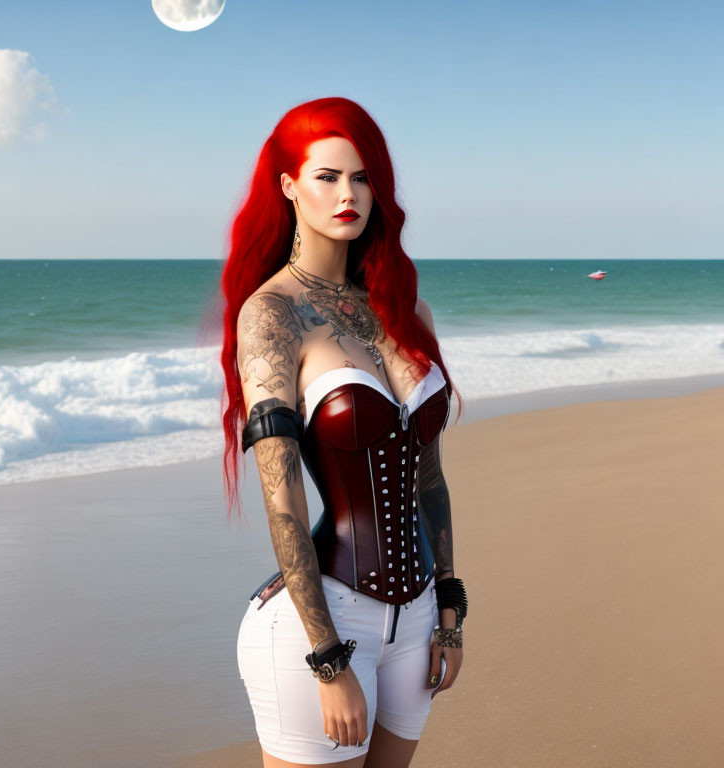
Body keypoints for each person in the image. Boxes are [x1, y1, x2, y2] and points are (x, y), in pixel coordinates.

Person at [217, 97, 467, 767]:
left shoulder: (404, 305)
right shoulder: (271, 315)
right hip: (324, 621)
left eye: (362, 178)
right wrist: (327, 659)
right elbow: (284, 498)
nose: (348, 194)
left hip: (416, 624)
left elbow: (430, 478)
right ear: (289, 186)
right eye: (327, 176)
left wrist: (450, 609)